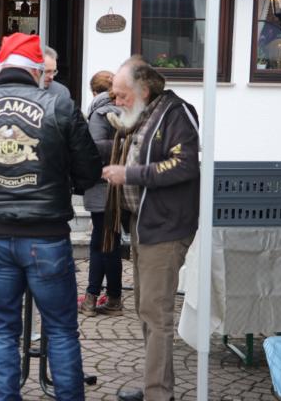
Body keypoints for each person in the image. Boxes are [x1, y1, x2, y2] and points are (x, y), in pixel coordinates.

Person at [0, 33, 101, 400]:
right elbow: (89, 171)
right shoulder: (60, 106)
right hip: (47, 235)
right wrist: (62, 181)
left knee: (2, 331)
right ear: (35, 70)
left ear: (2, 68)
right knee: (61, 330)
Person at [101, 56, 200, 401]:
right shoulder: (144, 115)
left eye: (121, 94)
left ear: (144, 90)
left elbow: (185, 165)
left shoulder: (176, 114)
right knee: (145, 308)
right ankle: (155, 387)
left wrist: (129, 174)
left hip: (166, 228)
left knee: (156, 314)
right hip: (145, 224)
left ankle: (159, 393)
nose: (116, 101)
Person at [78, 70, 124, 317]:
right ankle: (113, 297)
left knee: (101, 244)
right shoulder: (126, 109)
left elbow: (95, 152)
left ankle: (93, 298)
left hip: (102, 186)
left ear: (94, 92)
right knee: (111, 242)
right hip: (121, 186)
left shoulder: (99, 113)